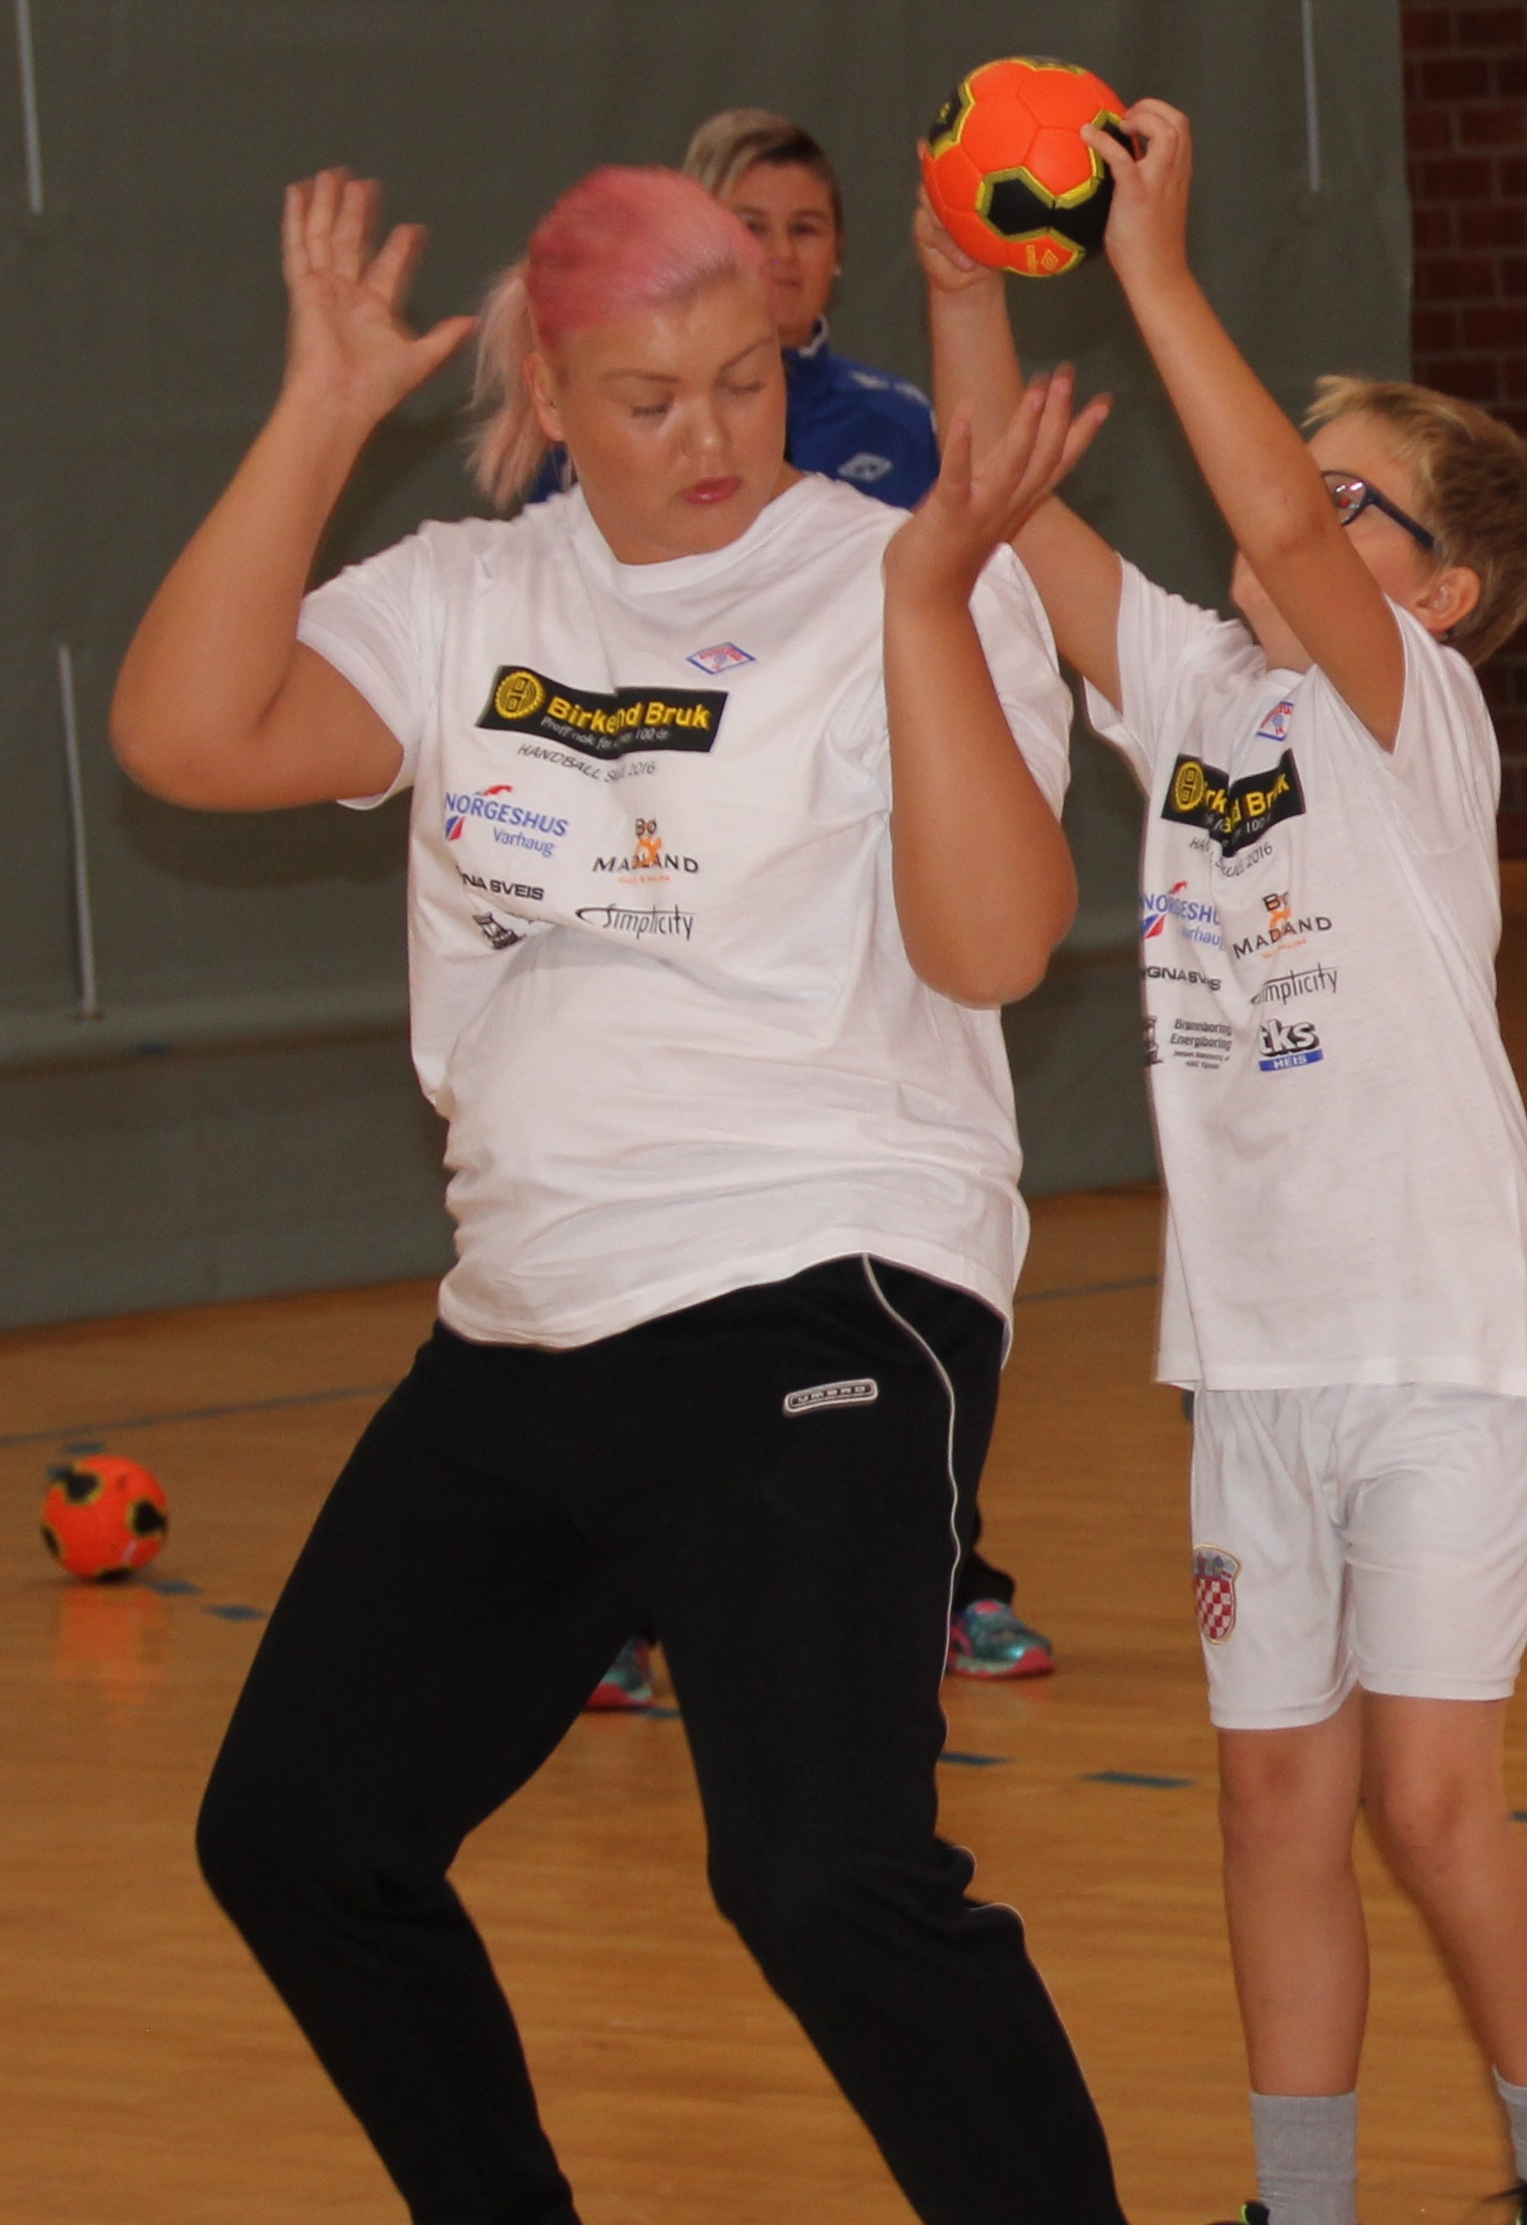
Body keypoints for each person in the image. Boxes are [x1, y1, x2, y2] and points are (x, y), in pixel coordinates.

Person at [114, 163, 1209, 2225]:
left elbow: (997, 941)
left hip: (826, 1282)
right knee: (300, 1825)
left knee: (819, 1864)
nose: (708, 437)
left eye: (742, 382)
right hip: (530, 1312)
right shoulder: (461, 595)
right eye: (644, 399)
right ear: (548, 393)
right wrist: (316, 417)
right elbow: (187, 734)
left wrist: (922, 606)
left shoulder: (897, 568)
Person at [941, 106, 1527, 2225]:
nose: (1295, 511)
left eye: (1353, 499)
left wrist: (1155, 266)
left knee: (1430, 1795)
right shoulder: (1201, 699)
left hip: (1440, 1339)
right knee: (1275, 1797)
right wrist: (967, 274)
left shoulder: (1410, 709)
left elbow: (1256, 516)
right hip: (1248, 1351)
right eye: (1311, 481)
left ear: (1436, 588)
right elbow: (1001, 504)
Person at [563, 109, 1056, 1699]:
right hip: (671, 925)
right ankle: (618, 1599)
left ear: (841, 255)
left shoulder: (894, 437)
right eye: (745, 226)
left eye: (803, 227)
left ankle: (946, 1572)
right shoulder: (583, 486)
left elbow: (986, 586)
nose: (776, 256)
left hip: (868, 944)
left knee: (878, 1322)